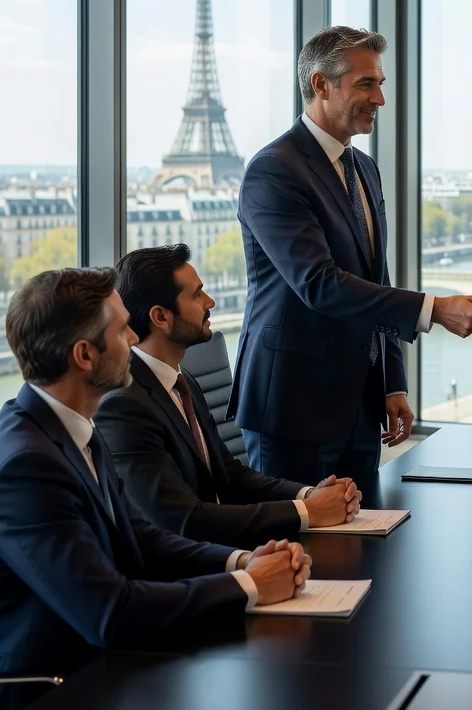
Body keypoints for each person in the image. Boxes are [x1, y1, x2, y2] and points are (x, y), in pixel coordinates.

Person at [229, 27, 472, 491]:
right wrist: (435, 309)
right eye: (366, 84)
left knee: (366, 543)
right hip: (293, 407)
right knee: (299, 554)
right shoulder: (274, 169)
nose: (379, 98)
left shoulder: (364, 168)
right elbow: (318, 282)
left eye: (380, 84)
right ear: (321, 85)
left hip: (360, 405)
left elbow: (376, 277)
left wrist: (391, 383)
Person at [0, 268, 311, 685]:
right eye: (124, 329)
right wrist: (248, 585)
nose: (134, 339)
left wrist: (240, 560)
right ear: (85, 355)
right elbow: (111, 612)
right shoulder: (26, 466)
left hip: (114, 659)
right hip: (61, 683)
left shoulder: (73, 428)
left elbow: (140, 536)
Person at [94, 246, 361, 548]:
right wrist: (309, 512)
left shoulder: (183, 381)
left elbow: (231, 475)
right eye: (197, 295)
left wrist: (308, 494)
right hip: (186, 575)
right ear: (160, 317)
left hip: (225, 551)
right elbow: (184, 522)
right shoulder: (123, 406)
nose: (211, 302)